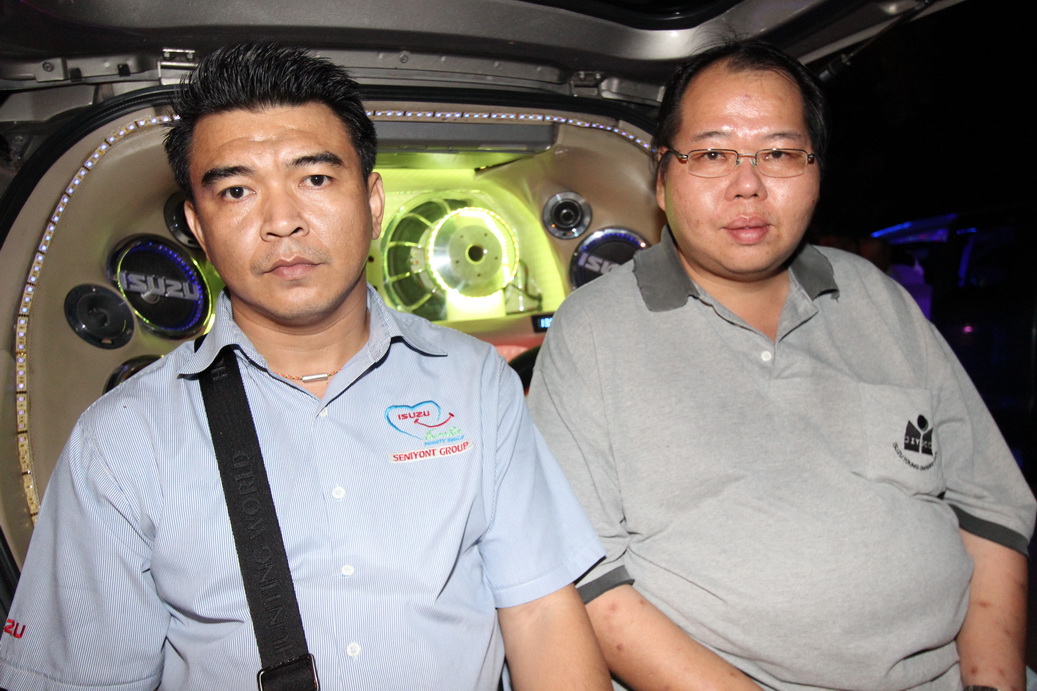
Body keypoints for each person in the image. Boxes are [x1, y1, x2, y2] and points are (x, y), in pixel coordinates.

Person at [0, 43, 609, 690]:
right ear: (199, 228)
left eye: (315, 179)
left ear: (372, 202)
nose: (282, 222)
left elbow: (541, 613)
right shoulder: (123, 438)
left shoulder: (474, 381)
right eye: (237, 190)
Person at [528, 39, 1035, 691]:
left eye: (778, 153)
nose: (748, 184)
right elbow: (589, 578)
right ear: (662, 177)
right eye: (712, 154)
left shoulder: (874, 296)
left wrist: (989, 683)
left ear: (815, 171)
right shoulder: (594, 331)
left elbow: (989, 507)